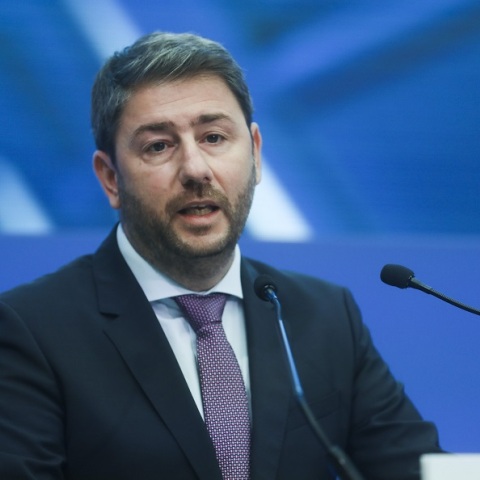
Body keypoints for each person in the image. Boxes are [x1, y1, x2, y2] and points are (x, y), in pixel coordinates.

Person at [0, 31, 442, 480]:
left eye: (213, 137)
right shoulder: (31, 331)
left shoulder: (325, 317)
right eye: (159, 146)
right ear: (110, 177)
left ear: (255, 153)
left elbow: (414, 469)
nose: (195, 170)